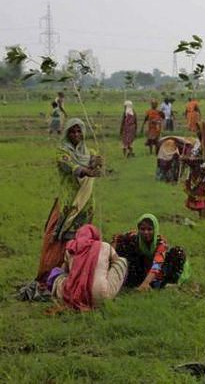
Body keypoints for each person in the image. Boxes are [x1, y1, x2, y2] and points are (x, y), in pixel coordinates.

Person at [36, 118, 103, 285]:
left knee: (82, 239)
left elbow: (97, 168)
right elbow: (71, 167)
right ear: (67, 133)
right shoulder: (62, 152)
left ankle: (77, 274)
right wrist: (86, 170)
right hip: (67, 204)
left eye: (79, 131)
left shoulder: (91, 152)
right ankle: (53, 275)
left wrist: (97, 164)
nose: (76, 135)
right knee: (60, 239)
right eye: (72, 131)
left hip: (85, 204)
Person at [48, 224, 127, 311]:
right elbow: (116, 260)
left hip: (73, 295)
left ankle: (77, 293)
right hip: (102, 296)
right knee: (122, 261)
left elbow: (66, 271)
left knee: (58, 275)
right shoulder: (105, 246)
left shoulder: (71, 248)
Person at [112, 214, 190, 290]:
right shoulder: (134, 236)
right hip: (142, 267)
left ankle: (167, 283)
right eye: (142, 229)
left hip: (160, 269)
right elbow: (117, 238)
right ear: (138, 229)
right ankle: (125, 278)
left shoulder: (161, 243)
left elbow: (157, 264)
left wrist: (145, 283)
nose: (146, 232)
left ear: (155, 229)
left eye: (149, 229)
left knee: (178, 252)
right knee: (124, 245)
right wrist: (112, 258)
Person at [183, 120, 205, 219]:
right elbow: (195, 153)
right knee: (196, 193)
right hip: (196, 169)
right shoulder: (199, 141)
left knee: (201, 193)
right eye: (197, 129)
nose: (197, 131)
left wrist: (191, 160)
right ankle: (201, 218)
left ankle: (203, 217)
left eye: (199, 129)